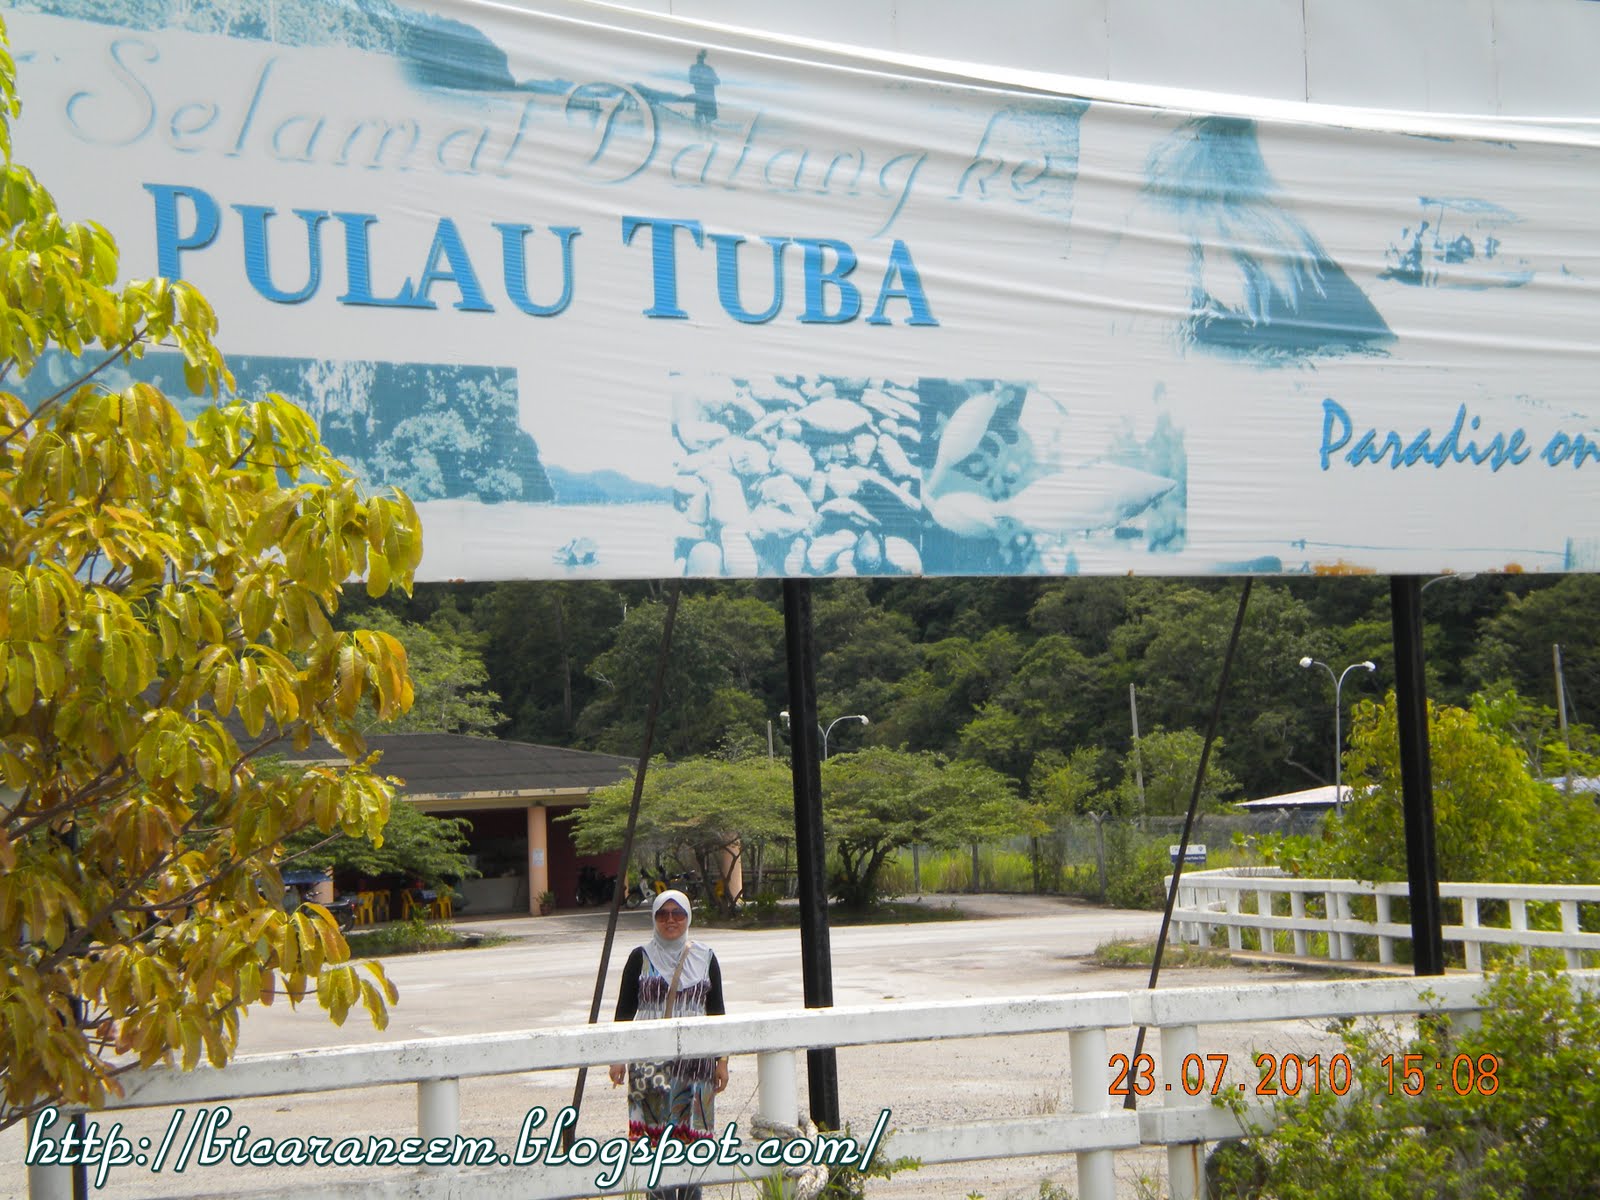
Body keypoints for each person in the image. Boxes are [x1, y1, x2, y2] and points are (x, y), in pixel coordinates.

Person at [609, 889, 728, 1199]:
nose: (670, 920)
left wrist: (722, 1061)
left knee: (693, 1140)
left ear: (688, 917)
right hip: (650, 1064)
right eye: (663, 914)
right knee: (655, 1142)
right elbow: (623, 1011)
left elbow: (717, 1012)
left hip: (696, 1067)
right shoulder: (640, 957)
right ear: (654, 918)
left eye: (678, 914)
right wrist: (617, 1057)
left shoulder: (705, 957)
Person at [688, 50, 720, 129]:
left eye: (702, 56)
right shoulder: (694, 68)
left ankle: (706, 137)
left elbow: (717, 81)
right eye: (699, 56)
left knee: (708, 122)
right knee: (698, 120)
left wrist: (706, 80)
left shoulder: (708, 69)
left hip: (709, 97)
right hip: (701, 97)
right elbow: (691, 80)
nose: (700, 58)